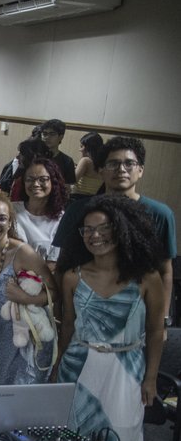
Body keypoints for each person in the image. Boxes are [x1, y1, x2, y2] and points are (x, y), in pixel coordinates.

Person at [56, 196, 165, 441]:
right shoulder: (73, 276)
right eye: (88, 230)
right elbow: (69, 326)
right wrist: (57, 368)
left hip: (127, 369)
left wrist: (151, 379)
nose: (95, 236)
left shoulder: (147, 278)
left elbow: (157, 331)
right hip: (79, 367)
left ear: (122, 230)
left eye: (103, 228)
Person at [52, 136, 175, 331]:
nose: (121, 169)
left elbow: (165, 270)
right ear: (100, 170)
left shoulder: (160, 214)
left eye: (129, 163)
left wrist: (163, 319)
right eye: (113, 163)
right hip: (83, 310)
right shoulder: (78, 210)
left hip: (135, 313)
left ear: (140, 170)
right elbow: (63, 264)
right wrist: (58, 309)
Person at [0, 191, 56, 387]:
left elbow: (54, 292)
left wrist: (25, 298)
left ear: (9, 224)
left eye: (1, 218)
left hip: (26, 341)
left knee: (21, 404)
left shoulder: (23, 253)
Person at [10, 157, 69, 265]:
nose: (36, 184)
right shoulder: (10, 210)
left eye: (42, 179)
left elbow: (53, 264)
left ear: (53, 182)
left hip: (40, 278)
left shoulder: (61, 219)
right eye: (30, 179)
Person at [39, 119, 77, 185]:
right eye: (44, 134)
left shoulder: (67, 161)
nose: (47, 137)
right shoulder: (34, 156)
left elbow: (68, 187)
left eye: (52, 134)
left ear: (60, 137)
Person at [73, 132, 105, 199]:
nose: (80, 150)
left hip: (77, 198)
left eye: (81, 146)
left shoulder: (86, 161)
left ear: (88, 148)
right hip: (92, 200)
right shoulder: (104, 164)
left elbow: (72, 180)